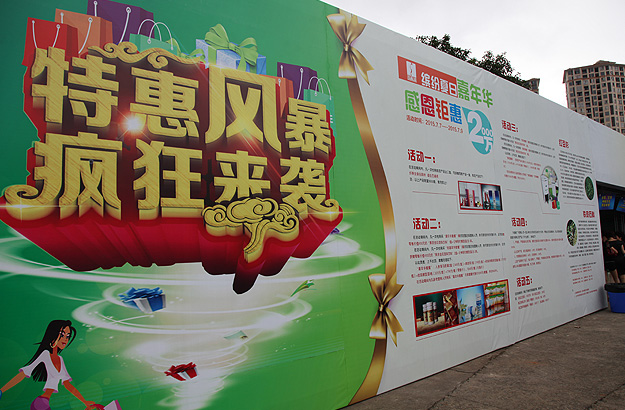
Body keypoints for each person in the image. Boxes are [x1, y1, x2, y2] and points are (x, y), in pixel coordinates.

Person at [0, 320, 96, 410]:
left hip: (45, 402)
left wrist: (84, 402)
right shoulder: (45, 354)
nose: (65, 339)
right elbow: (23, 374)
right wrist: (1, 391)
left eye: (68, 336)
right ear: (53, 335)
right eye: (62, 335)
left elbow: (68, 385)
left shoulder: (60, 359)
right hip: (41, 403)